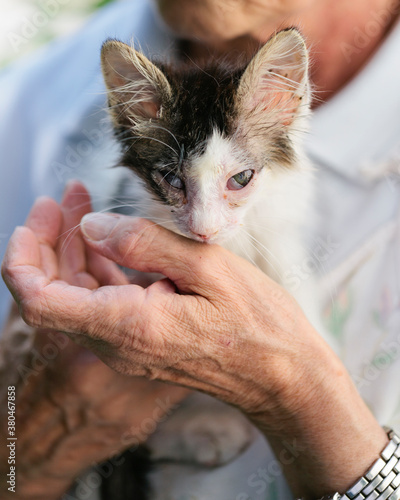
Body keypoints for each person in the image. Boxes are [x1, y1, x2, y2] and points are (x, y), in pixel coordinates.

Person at [1, 0, 400, 499]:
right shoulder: (25, 102)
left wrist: (303, 397)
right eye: (171, 180)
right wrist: (24, 449)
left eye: (239, 180)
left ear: (286, 103)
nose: (205, 227)